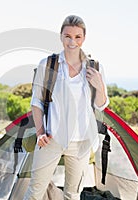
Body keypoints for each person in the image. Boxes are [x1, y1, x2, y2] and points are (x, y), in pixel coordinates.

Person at [24, 15, 109, 199]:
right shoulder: (47, 65)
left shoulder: (95, 67)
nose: (72, 41)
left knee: (73, 194)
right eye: (68, 36)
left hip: (81, 142)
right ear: (61, 36)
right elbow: (36, 101)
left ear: (84, 38)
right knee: (35, 191)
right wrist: (40, 133)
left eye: (78, 37)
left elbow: (101, 105)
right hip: (51, 139)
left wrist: (99, 85)